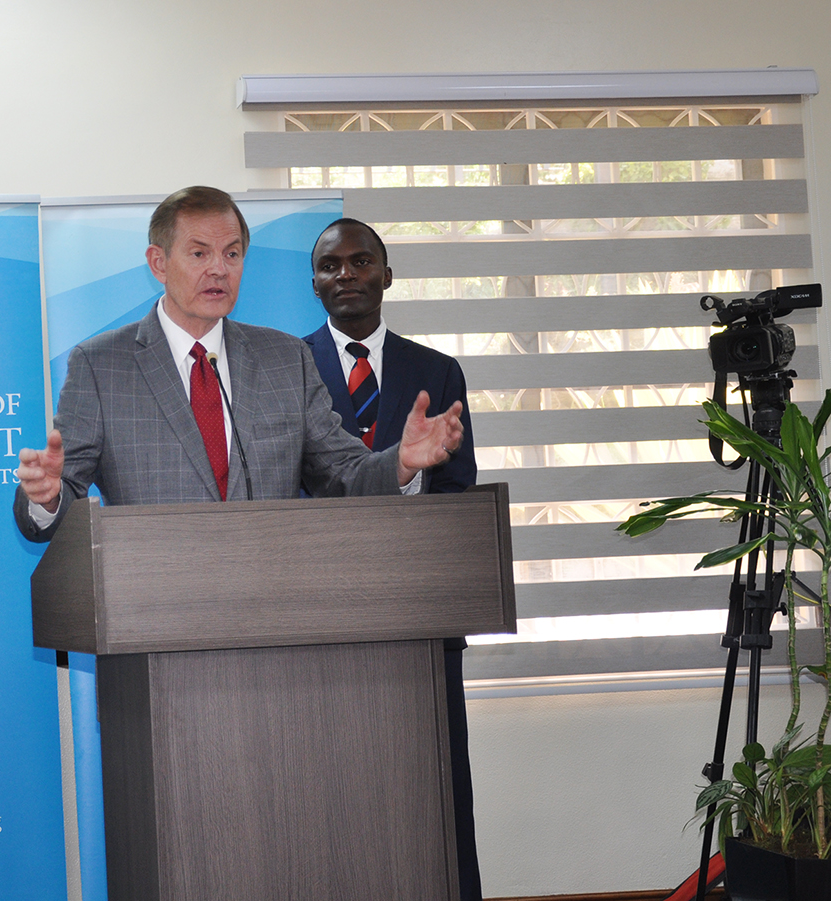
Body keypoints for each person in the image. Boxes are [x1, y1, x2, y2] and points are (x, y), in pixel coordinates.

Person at [13, 186, 464, 539]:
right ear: (158, 263)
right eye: (198, 253)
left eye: (231, 254)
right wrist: (48, 498)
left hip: (273, 611)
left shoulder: (286, 359)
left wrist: (401, 463)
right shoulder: (101, 366)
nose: (218, 269)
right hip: (152, 617)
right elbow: (64, 490)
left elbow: (342, 474)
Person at [304, 217, 482, 901]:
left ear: (386, 272)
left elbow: (460, 493)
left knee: (432, 789)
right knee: (332, 798)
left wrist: (408, 476)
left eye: (360, 261)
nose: (345, 275)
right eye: (330, 266)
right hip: (321, 625)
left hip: (421, 621)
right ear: (314, 282)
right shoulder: (285, 367)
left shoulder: (437, 371)